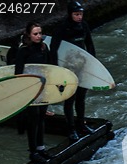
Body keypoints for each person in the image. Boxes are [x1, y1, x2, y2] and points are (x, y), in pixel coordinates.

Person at [50, 1, 95, 142]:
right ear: (70, 14)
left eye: (81, 14)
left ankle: (81, 125)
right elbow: (53, 50)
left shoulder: (84, 26)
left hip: (81, 67)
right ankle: (71, 130)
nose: (79, 17)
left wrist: (93, 65)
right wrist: (57, 70)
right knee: (70, 100)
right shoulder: (62, 28)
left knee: (81, 98)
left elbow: (90, 45)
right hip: (68, 69)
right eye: (76, 14)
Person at [15, 22, 52, 164]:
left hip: (43, 87)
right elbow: (18, 73)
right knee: (33, 119)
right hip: (29, 89)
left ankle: (41, 148)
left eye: (40, 33)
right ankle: (33, 152)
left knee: (41, 117)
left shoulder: (44, 47)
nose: (38, 36)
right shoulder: (23, 50)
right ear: (29, 35)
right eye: (35, 34)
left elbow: (49, 68)